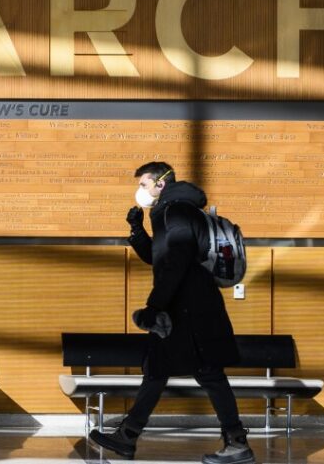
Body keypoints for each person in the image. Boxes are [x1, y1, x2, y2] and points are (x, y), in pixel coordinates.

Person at [88, 162, 255, 464]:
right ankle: (128, 436)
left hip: (189, 306)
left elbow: (175, 261)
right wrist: (137, 231)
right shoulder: (173, 210)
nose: (140, 191)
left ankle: (237, 443)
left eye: (143, 184)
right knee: (162, 370)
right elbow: (160, 257)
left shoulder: (174, 210)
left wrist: (154, 307)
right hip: (189, 303)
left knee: (205, 373)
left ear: (160, 184)